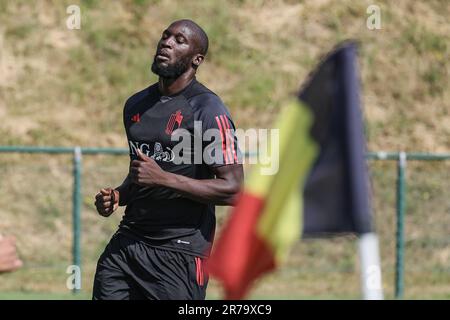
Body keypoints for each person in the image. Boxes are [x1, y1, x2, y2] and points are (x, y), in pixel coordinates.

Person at [93, 19, 244, 300]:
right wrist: (118, 194)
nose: (167, 42)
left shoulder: (207, 109)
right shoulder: (136, 105)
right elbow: (141, 173)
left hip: (179, 252)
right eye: (165, 36)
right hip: (128, 242)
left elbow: (234, 188)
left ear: (196, 59)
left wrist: (163, 178)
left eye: (179, 40)